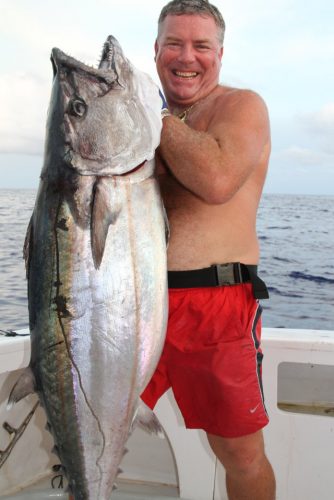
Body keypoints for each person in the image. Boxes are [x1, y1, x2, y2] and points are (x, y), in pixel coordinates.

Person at [141, 1, 276, 499]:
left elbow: (217, 181)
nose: (187, 56)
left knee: (241, 457)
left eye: (201, 45)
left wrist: (152, 113)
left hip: (216, 306)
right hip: (135, 306)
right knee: (86, 430)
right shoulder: (139, 121)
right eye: (174, 43)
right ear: (156, 50)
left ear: (220, 53)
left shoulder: (241, 106)